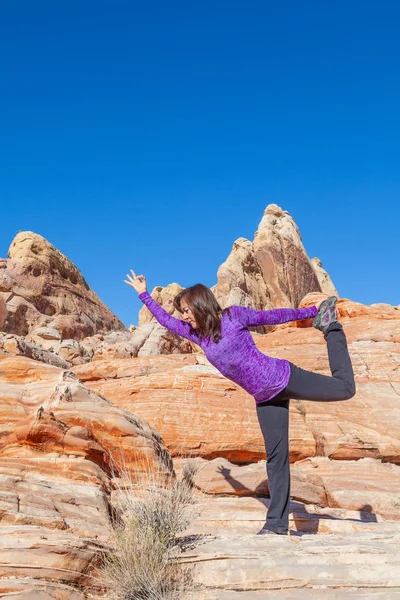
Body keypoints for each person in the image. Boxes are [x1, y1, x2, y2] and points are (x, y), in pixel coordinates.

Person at [125, 269, 356, 536]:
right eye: (182, 312)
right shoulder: (197, 336)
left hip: (283, 377)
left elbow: (272, 316)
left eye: (187, 310)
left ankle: (332, 327)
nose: (184, 316)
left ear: (201, 305)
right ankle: (276, 525)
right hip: (265, 398)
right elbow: (165, 321)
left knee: (345, 388)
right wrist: (143, 293)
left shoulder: (233, 316)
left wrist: (312, 312)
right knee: (276, 459)